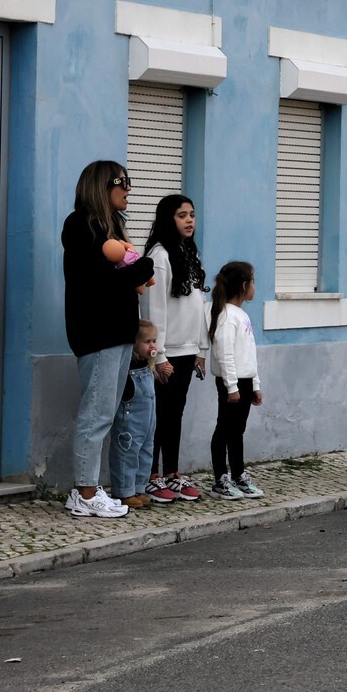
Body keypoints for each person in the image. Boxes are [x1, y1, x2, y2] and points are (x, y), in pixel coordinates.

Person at [62, 161, 155, 519]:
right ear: (102, 186)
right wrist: (141, 268)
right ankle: (85, 493)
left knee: (107, 413)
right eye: (122, 182)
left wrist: (137, 271)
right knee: (96, 415)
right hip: (97, 332)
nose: (128, 189)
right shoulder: (80, 225)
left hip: (118, 331)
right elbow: (100, 281)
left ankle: (90, 488)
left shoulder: (109, 226)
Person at [141, 194, 210, 503]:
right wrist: (158, 355)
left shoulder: (189, 254)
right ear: (168, 219)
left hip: (186, 350)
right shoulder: (159, 256)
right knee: (157, 416)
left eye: (192, 214)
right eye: (182, 215)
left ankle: (171, 473)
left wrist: (200, 350)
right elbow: (153, 310)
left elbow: (199, 306)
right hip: (166, 354)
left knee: (174, 415)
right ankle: (151, 476)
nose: (189, 220)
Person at [208, 261, 264, 499]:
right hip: (232, 384)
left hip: (245, 381)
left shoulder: (241, 314)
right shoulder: (227, 316)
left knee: (237, 431)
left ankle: (238, 475)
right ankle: (220, 479)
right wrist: (232, 387)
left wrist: (255, 384)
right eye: (253, 282)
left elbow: (248, 354)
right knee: (224, 429)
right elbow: (225, 354)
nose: (254, 287)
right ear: (243, 285)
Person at [110, 321, 162, 510]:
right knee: (127, 452)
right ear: (134, 344)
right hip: (130, 419)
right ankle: (124, 491)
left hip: (148, 421)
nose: (152, 346)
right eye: (147, 342)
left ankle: (139, 487)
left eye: (154, 341)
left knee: (146, 452)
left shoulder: (147, 367)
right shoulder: (129, 367)